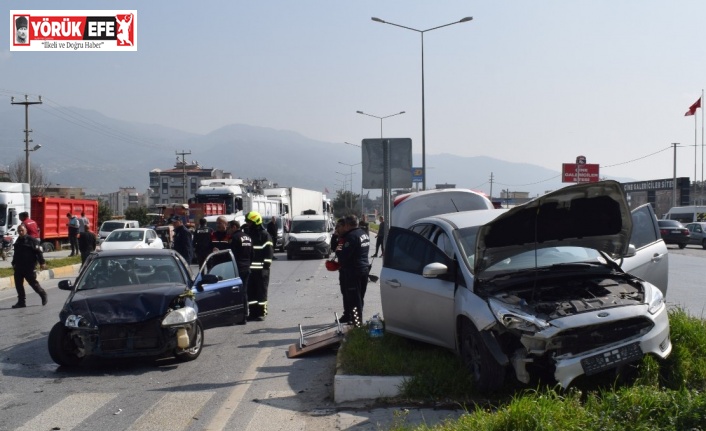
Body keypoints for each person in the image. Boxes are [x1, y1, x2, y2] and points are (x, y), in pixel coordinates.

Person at [335, 215, 370, 326]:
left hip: (353, 271)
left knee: (354, 300)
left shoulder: (350, 237)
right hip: (364, 269)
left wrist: (340, 242)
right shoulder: (363, 234)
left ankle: (357, 324)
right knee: (359, 297)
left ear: (347, 225)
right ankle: (356, 321)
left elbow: (342, 254)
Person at [11, 224, 48, 308]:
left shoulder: (32, 240)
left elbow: (39, 252)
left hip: (29, 266)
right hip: (19, 267)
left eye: (22, 230)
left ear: (26, 231)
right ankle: (21, 302)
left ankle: (42, 294)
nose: (20, 232)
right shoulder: (18, 240)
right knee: (18, 285)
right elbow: (16, 253)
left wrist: (42, 262)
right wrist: (13, 263)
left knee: (33, 283)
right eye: (19, 230)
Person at [245, 211, 273, 320]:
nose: (248, 224)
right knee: (251, 293)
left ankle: (262, 313)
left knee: (261, 292)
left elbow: (269, 252)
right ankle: (253, 313)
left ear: (255, 221)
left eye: (249, 222)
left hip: (261, 270)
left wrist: (265, 267)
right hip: (250, 270)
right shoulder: (249, 234)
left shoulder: (265, 235)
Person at [228, 220, 253, 310]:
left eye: (229, 228)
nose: (228, 230)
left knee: (235, 292)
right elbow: (252, 253)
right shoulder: (248, 237)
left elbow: (232, 254)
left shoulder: (235, 237)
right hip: (246, 267)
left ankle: (238, 314)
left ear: (234, 227)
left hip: (237, 268)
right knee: (244, 291)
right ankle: (245, 313)